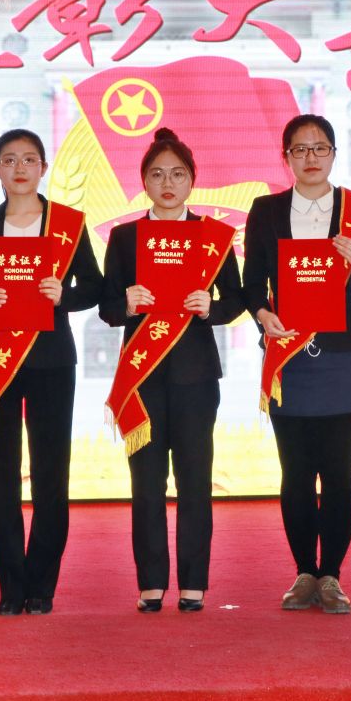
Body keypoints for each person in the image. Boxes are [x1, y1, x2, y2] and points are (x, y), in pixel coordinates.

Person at [243, 114, 351, 614]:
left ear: (333, 154)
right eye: (299, 149)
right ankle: (305, 571)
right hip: (289, 357)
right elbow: (251, 283)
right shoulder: (266, 210)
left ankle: (333, 576)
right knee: (297, 472)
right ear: (285, 157)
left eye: (320, 148)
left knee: (340, 471)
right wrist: (262, 314)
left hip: (342, 357)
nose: (310, 157)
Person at [0, 128, 102, 615]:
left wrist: (66, 295)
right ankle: (10, 585)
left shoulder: (68, 224)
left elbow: (95, 288)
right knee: (0, 475)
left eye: (29, 159)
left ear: (43, 168)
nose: (19, 168)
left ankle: (42, 585)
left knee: (50, 475)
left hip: (51, 362)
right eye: (9, 160)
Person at [101, 127, 243, 613]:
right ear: (143, 181)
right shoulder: (124, 237)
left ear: (192, 181)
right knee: (146, 484)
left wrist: (211, 307)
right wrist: (126, 302)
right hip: (141, 377)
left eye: (178, 174)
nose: (168, 183)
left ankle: (193, 583)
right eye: (158, 174)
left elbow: (236, 299)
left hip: (195, 376)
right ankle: (151, 582)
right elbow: (106, 307)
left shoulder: (213, 236)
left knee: (194, 481)